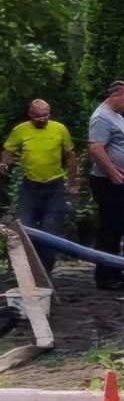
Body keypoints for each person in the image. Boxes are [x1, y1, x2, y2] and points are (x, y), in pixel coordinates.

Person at [2, 100, 77, 272]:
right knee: (24, 228)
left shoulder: (60, 129)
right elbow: (8, 150)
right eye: (39, 116)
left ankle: (46, 272)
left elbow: (70, 156)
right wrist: (4, 164)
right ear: (30, 115)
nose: (43, 119)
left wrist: (73, 184)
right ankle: (27, 270)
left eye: (46, 115)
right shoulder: (20, 130)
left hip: (55, 186)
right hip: (30, 186)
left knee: (50, 230)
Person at [87, 81, 124, 290]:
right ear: (116, 95)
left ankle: (115, 271)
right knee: (109, 229)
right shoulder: (101, 116)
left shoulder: (116, 116)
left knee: (119, 228)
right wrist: (113, 172)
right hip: (107, 181)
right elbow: (95, 148)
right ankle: (104, 277)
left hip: (120, 181)